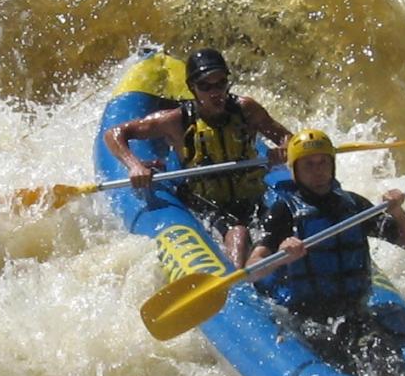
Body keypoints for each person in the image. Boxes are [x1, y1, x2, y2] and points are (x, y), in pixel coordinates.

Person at [246, 128, 405, 376]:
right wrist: (281, 256)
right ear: (295, 171)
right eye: (309, 165)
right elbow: (251, 269)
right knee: (339, 362)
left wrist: (399, 213)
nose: (318, 171)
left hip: (353, 312)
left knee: (384, 358)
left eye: (323, 163)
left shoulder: (353, 205)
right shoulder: (283, 211)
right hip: (304, 317)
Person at [103, 48, 292, 266]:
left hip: (251, 194)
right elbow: (114, 134)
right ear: (193, 88)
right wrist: (135, 165)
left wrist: (283, 150)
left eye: (220, 83)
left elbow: (287, 137)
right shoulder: (176, 120)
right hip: (204, 200)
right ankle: (237, 288)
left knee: (285, 221)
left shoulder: (246, 109)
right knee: (238, 234)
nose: (215, 92)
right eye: (205, 86)